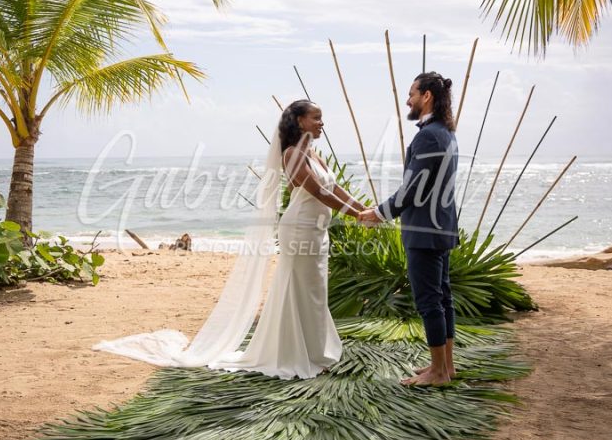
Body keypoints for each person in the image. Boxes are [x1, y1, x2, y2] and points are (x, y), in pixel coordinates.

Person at [94, 99, 366, 379]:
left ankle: (312, 351)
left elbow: (336, 189)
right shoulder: (293, 154)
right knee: (301, 289)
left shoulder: (313, 153)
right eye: (316, 118)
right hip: (299, 228)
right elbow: (319, 192)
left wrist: (364, 210)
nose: (322, 123)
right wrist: (356, 215)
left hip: (317, 230)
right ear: (299, 122)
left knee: (314, 290)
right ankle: (293, 353)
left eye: (321, 118)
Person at [359, 71, 460, 386]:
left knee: (429, 301)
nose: (408, 100)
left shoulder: (428, 135)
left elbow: (413, 189)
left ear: (426, 96)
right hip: (441, 228)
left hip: (424, 232)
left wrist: (379, 213)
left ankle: (439, 372)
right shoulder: (445, 132)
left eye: (412, 93)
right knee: (443, 298)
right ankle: (446, 366)